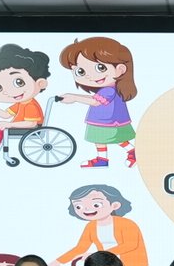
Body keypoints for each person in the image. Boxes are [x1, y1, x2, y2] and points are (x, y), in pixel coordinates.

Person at [56, 36, 138, 169]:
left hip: (109, 121)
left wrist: (74, 97)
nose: (89, 76)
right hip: (102, 120)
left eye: (100, 67)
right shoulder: (106, 89)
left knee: (116, 139)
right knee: (103, 140)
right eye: (80, 71)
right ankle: (104, 159)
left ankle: (131, 153)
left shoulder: (109, 90)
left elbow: (95, 102)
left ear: (120, 69)